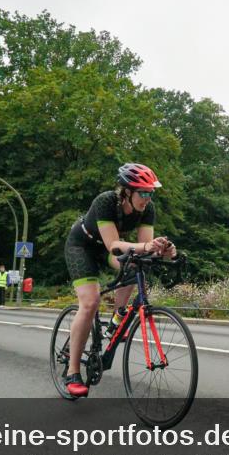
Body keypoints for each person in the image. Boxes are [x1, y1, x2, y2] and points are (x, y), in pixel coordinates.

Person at [62, 163, 177, 398]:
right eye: (142, 193)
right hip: (82, 246)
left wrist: (163, 250)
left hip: (108, 248)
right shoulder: (105, 201)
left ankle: (118, 317)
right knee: (90, 302)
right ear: (127, 191)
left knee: (135, 264)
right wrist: (146, 247)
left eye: (150, 192)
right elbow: (114, 245)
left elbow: (145, 248)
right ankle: (73, 372)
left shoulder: (148, 209)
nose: (147, 198)